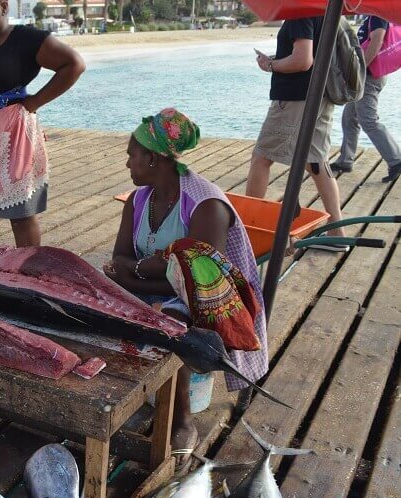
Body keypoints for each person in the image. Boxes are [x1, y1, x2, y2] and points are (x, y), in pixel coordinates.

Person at [105, 109, 268, 466]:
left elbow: (200, 281)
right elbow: (119, 258)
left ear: (152, 157)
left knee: (173, 325)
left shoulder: (206, 204)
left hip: (206, 299)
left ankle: (182, 419)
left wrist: (133, 275)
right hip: (152, 286)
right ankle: (118, 394)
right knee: (97, 302)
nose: (127, 163)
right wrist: (141, 273)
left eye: (132, 155)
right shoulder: (138, 199)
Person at [0, 0, 84, 247]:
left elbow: (74, 64)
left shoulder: (26, 39)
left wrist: (34, 102)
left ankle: (28, 274)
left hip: (13, 135)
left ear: (4, 6)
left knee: (21, 214)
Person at [246, 17, 345, 239]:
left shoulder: (300, 10)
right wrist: (279, 60)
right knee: (317, 162)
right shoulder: (324, 8)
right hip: (322, 94)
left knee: (261, 158)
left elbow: (302, 60)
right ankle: (337, 234)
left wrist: (271, 65)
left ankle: (249, 229)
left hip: (296, 98)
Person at [331, 16, 400, 184]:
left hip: (368, 78)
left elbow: (377, 41)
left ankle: (396, 160)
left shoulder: (377, 17)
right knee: (349, 117)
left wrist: (359, 71)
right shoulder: (372, 17)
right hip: (369, 76)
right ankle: (345, 161)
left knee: (368, 120)